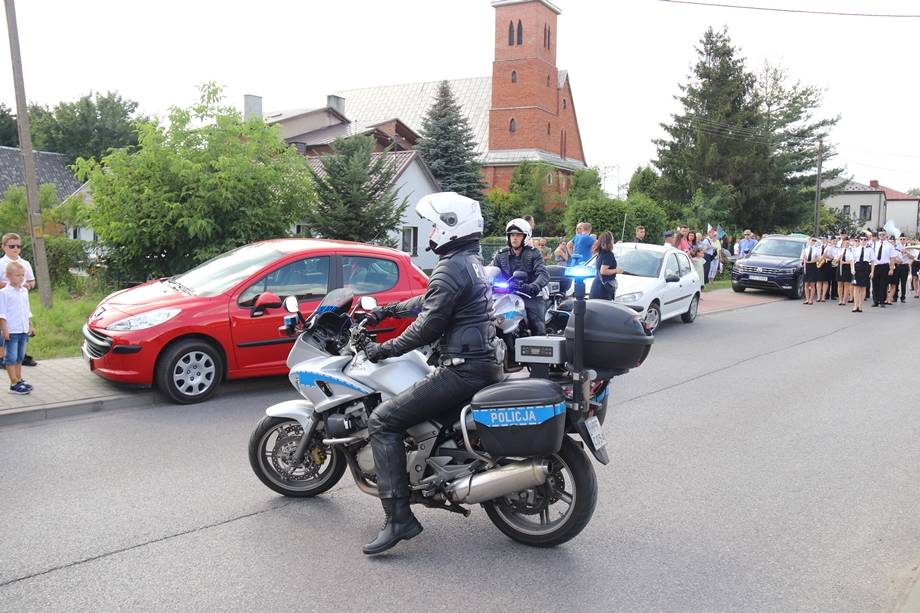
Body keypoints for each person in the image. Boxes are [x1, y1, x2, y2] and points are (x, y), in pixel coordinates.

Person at [359, 192, 503, 555]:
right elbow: (430, 302)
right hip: (483, 364)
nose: (431, 232)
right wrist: (387, 311)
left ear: (451, 226)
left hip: (461, 370)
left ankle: (399, 519)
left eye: (435, 225)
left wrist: (381, 350)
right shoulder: (469, 262)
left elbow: (427, 326)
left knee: (382, 420)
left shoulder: (451, 266)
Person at [491, 218, 549, 335]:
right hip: (506, 295)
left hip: (530, 295)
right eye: (512, 235)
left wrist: (533, 286)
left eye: (518, 235)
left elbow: (543, 274)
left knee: (536, 323)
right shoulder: (501, 255)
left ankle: (539, 340)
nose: (514, 238)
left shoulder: (534, 253)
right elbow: (492, 271)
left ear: (525, 237)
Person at [0, 233, 37, 366]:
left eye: (18, 246)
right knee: (4, 328)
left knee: (20, 326)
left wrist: (28, 285)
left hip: (20, 301)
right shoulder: (1, 263)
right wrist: (11, 285)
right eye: (12, 246)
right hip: (4, 299)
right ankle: (3, 357)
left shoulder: (25, 263)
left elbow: (32, 281)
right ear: (4, 247)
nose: (16, 249)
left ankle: (20, 355)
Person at [0, 260, 34, 394]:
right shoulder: (4, 293)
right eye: (17, 275)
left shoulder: (24, 291)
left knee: (20, 357)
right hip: (12, 331)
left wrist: (30, 325)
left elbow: (27, 310)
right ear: (8, 276)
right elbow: (2, 314)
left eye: (22, 275)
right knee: (11, 358)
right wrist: (5, 330)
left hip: (23, 329)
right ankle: (13, 383)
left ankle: (19, 379)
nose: (21, 278)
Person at [588, 231, 622, 300]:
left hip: (596, 286)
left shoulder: (600, 253)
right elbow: (603, 271)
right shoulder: (608, 254)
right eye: (612, 239)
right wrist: (616, 270)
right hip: (603, 289)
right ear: (610, 241)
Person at [871, 230, 896, 307]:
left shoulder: (890, 245)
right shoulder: (874, 244)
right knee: (875, 284)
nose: (881, 236)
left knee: (883, 284)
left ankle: (882, 301)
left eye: (883, 234)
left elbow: (892, 258)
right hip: (875, 266)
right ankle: (875, 301)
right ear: (878, 236)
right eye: (880, 235)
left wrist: (891, 269)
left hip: (884, 266)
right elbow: (871, 256)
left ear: (886, 235)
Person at [851, 235, 873, 312]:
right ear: (859, 240)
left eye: (865, 239)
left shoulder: (870, 250)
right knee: (856, 287)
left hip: (865, 267)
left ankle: (860, 306)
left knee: (863, 288)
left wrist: (872, 271)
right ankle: (855, 305)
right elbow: (852, 260)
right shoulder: (855, 249)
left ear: (867, 241)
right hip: (857, 267)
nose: (863, 241)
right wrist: (852, 269)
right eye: (861, 239)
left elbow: (873, 261)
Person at [833, 237, 853, 306]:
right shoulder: (839, 250)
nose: (847, 244)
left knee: (846, 285)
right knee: (840, 284)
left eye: (848, 243)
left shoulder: (851, 251)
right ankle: (840, 299)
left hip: (847, 268)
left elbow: (852, 261)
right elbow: (835, 261)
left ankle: (844, 300)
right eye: (845, 243)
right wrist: (838, 259)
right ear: (843, 243)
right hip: (840, 267)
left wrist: (844, 262)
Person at [893, 236, 911, 303]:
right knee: (896, 282)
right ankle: (895, 297)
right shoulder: (896, 247)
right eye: (901, 239)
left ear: (906, 240)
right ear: (899, 240)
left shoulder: (909, 248)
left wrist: (906, 252)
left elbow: (913, 257)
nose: (902, 240)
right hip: (898, 266)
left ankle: (903, 297)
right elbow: (893, 257)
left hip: (905, 266)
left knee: (903, 283)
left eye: (904, 239)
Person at [801, 236, 819, 305]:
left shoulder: (817, 249)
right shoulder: (805, 249)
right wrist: (803, 260)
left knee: (812, 284)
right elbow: (801, 259)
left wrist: (813, 260)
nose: (812, 242)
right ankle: (807, 299)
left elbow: (818, 258)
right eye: (811, 240)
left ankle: (811, 299)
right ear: (809, 241)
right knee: (806, 284)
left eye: (814, 241)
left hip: (813, 266)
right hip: (806, 266)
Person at [816, 236, 833, 302]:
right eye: (822, 239)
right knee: (819, 280)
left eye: (824, 239)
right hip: (819, 264)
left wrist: (827, 256)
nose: (823, 241)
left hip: (826, 264)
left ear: (827, 240)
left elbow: (833, 257)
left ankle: (823, 296)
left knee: (825, 281)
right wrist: (819, 258)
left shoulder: (830, 248)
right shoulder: (818, 247)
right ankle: (818, 296)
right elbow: (815, 256)